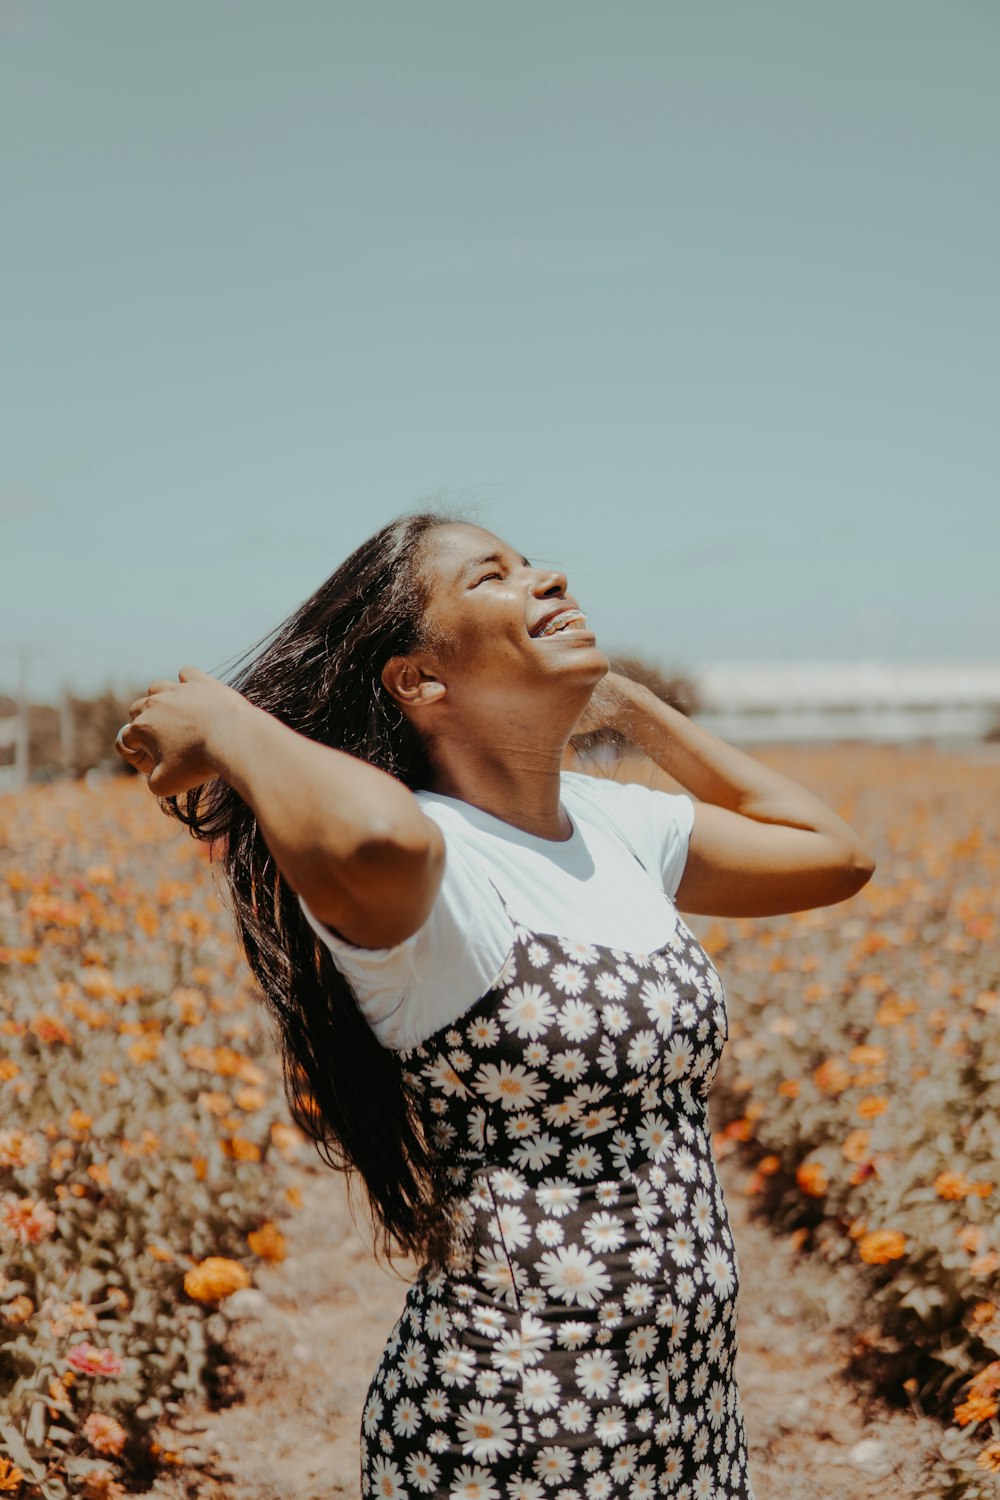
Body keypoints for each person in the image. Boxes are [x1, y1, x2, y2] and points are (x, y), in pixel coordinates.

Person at [114, 512, 875, 1500]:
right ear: (419, 680)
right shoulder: (433, 859)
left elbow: (832, 854)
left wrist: (634, 708)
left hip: (683, 1406)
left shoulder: (611, 823)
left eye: (533, 564)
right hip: (513, 1423)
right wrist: (227, 725)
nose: (547, 576)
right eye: (495, 576)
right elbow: (374, 845)